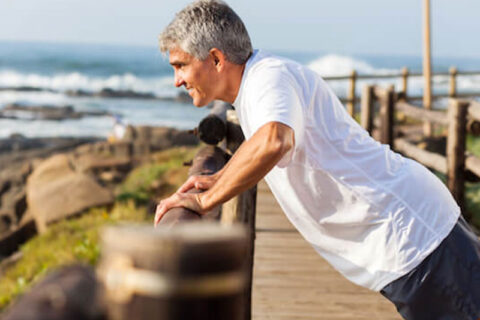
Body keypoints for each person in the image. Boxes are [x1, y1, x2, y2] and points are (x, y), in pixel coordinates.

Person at [154, 1, 480, 319]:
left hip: (417, 240)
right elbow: (267, 141)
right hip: (406, 243)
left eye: (180, 65)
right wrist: (218, 179)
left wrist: (207, 199)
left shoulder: (268, 78)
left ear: (215, 59)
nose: (177, 80)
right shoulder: (256, 86)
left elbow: (274, 140)